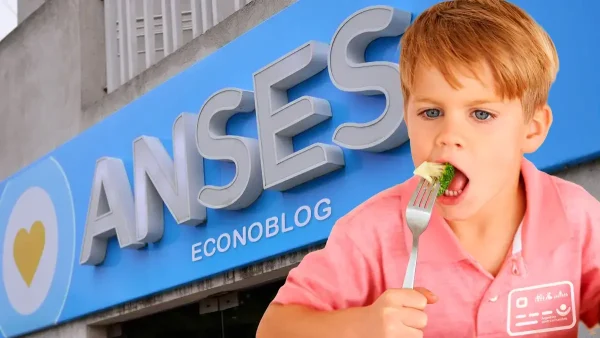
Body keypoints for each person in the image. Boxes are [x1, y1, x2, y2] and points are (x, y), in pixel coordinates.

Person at [256, 0, 600, 336]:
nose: (449, 137)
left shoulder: (576, 217)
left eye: (481, 114)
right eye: (431, 113)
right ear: (407, 118)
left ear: (533, 128)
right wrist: (360, 326)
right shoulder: (370, 232)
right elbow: (274, 328)